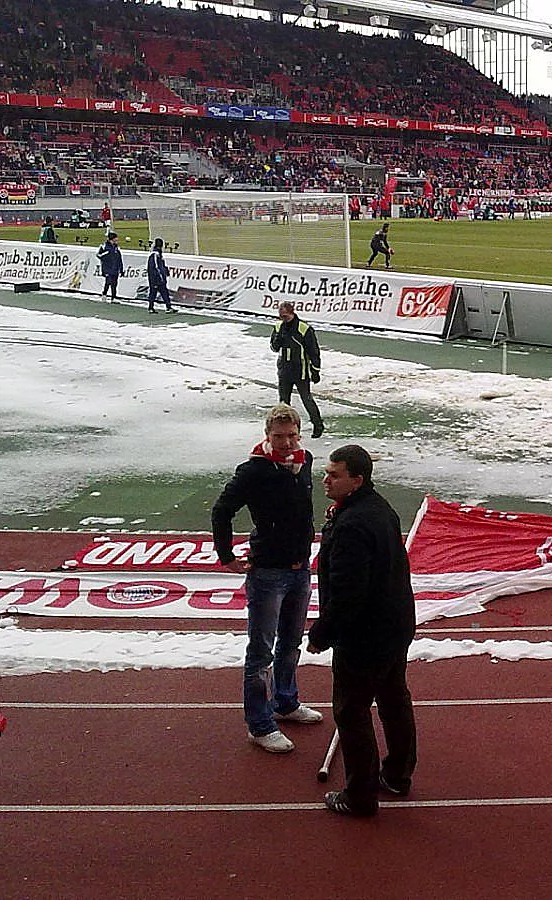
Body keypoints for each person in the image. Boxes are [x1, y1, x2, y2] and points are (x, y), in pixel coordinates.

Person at [307, 444, 417, 817]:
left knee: (352, 712)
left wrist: (323, 633)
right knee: (393, 700)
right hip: (395, 625)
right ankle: (398, 776)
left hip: (365, 635)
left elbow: (347, 592)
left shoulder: (353, 525)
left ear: (357, 480)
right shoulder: (378, 509)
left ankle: (360, 797)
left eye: (334, 475)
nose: (325, 479)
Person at [212, 404, 323, 754]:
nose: (286, 443)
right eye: (279, 437)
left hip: (300, 568)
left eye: (292, 435)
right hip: (268, 573)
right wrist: (227, 556)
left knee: (291, 643)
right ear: (267, 436)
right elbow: (221, 511)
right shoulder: (253, 471)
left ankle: (286, 703)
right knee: (261, 652)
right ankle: (259, 725)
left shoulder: (304, 462)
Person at [271, 301, 324, 439]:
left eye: (286, 317)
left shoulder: (304, 329)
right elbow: (273, 348)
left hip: (300, 371)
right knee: (283, 403)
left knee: (306, 399)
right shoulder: (278, 327)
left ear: (292, 313)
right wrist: (278, 339)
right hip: (284, 370)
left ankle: (318, 425)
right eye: (281, 316)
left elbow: (314, 351)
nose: (283, 319)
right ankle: (285, 429)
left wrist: (315, 370)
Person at [146, 237, 173, 313]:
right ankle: (151, 307)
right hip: (156, 278)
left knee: (163, 292)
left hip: (159, 277)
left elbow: (161, 266)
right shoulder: (155, 255)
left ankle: (168, 307)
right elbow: (155, 267)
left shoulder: (159, 255)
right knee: (155, 292)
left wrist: (165, 271)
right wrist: (159, 277)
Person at [97, 231, 122, 302]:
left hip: (115, 268)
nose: (117, 240)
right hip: (107, 268)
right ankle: (104, 294)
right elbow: (99, 255)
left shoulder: (116, 248)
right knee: (108, 282)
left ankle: (113, 297)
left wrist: (121, 268)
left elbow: (119, 258)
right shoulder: (104, 246)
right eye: (116, 238)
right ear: (112, 239)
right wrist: (106, 255)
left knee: (114, 283)